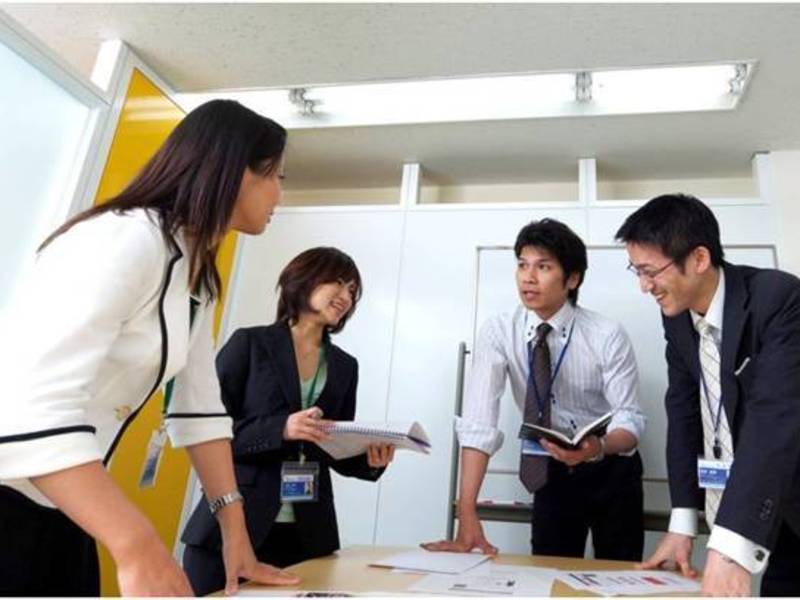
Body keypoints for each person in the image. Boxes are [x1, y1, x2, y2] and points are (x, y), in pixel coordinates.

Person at [0, 99, 300, 596]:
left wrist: (235, 532)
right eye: (277, 177)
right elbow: (24, 408)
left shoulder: (196, 276)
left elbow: (199, 409)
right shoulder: (123, 238)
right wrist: (137, 544)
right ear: (236, 171)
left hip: (67, 506)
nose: (279, 197)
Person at [423, 219, 646, 560]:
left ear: (572, 279)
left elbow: (629, 418)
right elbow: (479, 423)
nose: (528, 277)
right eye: (522, 265)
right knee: (549, 574)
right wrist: (467, 511)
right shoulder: (499, 332)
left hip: (611, 465)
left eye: (543, 267)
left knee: (619, 574)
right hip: (550, 468)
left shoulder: (606, 335)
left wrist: (596, 446)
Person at [181, 246, 395, 596]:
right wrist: (280, 428)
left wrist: (370, 459)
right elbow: (207, 429)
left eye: (353, 290)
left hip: (306, 536)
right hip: (234, 528)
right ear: (303, 279)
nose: (346, 296)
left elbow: (331, 445)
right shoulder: (249, 344)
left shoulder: (345, 366)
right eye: (338, 283)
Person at [616, 193, 800, 597]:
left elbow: (773, 418)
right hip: (761, 508)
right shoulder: (677, 319)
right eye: (637, 271)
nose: (645, 286)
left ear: (699, 258)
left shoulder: (778, 299)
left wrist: (730, 551)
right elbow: (683, 413)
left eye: (651, 271)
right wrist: (682, 522)